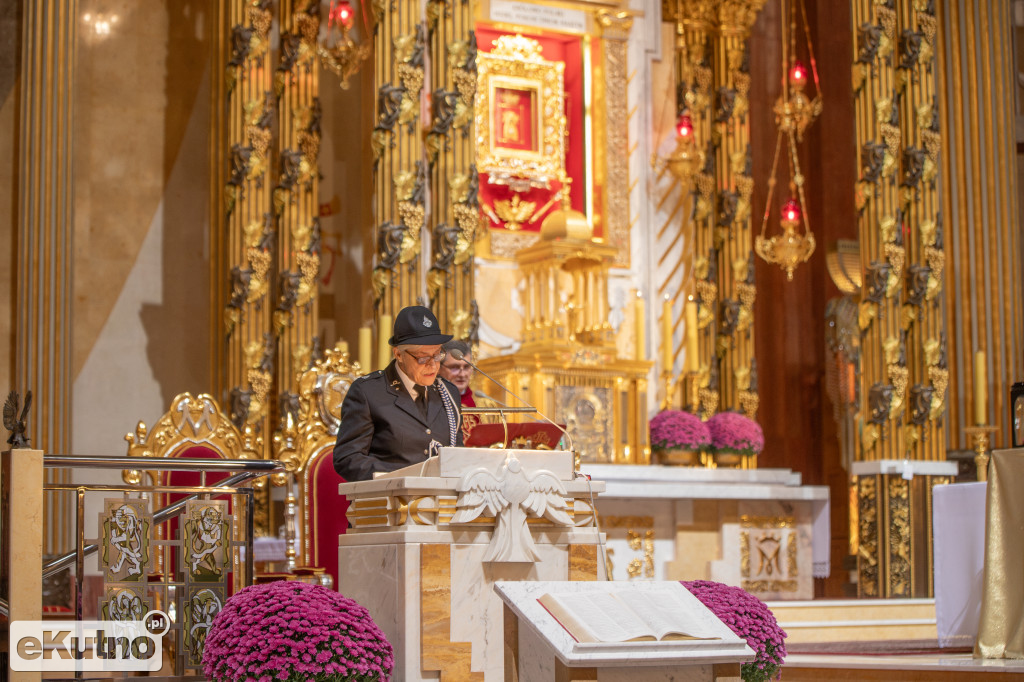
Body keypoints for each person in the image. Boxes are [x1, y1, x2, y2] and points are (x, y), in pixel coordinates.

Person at [333, 306, 464, 481]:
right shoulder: (368, 392)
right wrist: (403, 476)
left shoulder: (448, 392)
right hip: (387, 502)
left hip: (440, 504)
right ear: (399, 354)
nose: (433, 365)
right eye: (423, 358)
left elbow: (458, 455)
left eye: (437, 355)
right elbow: (347, 458)